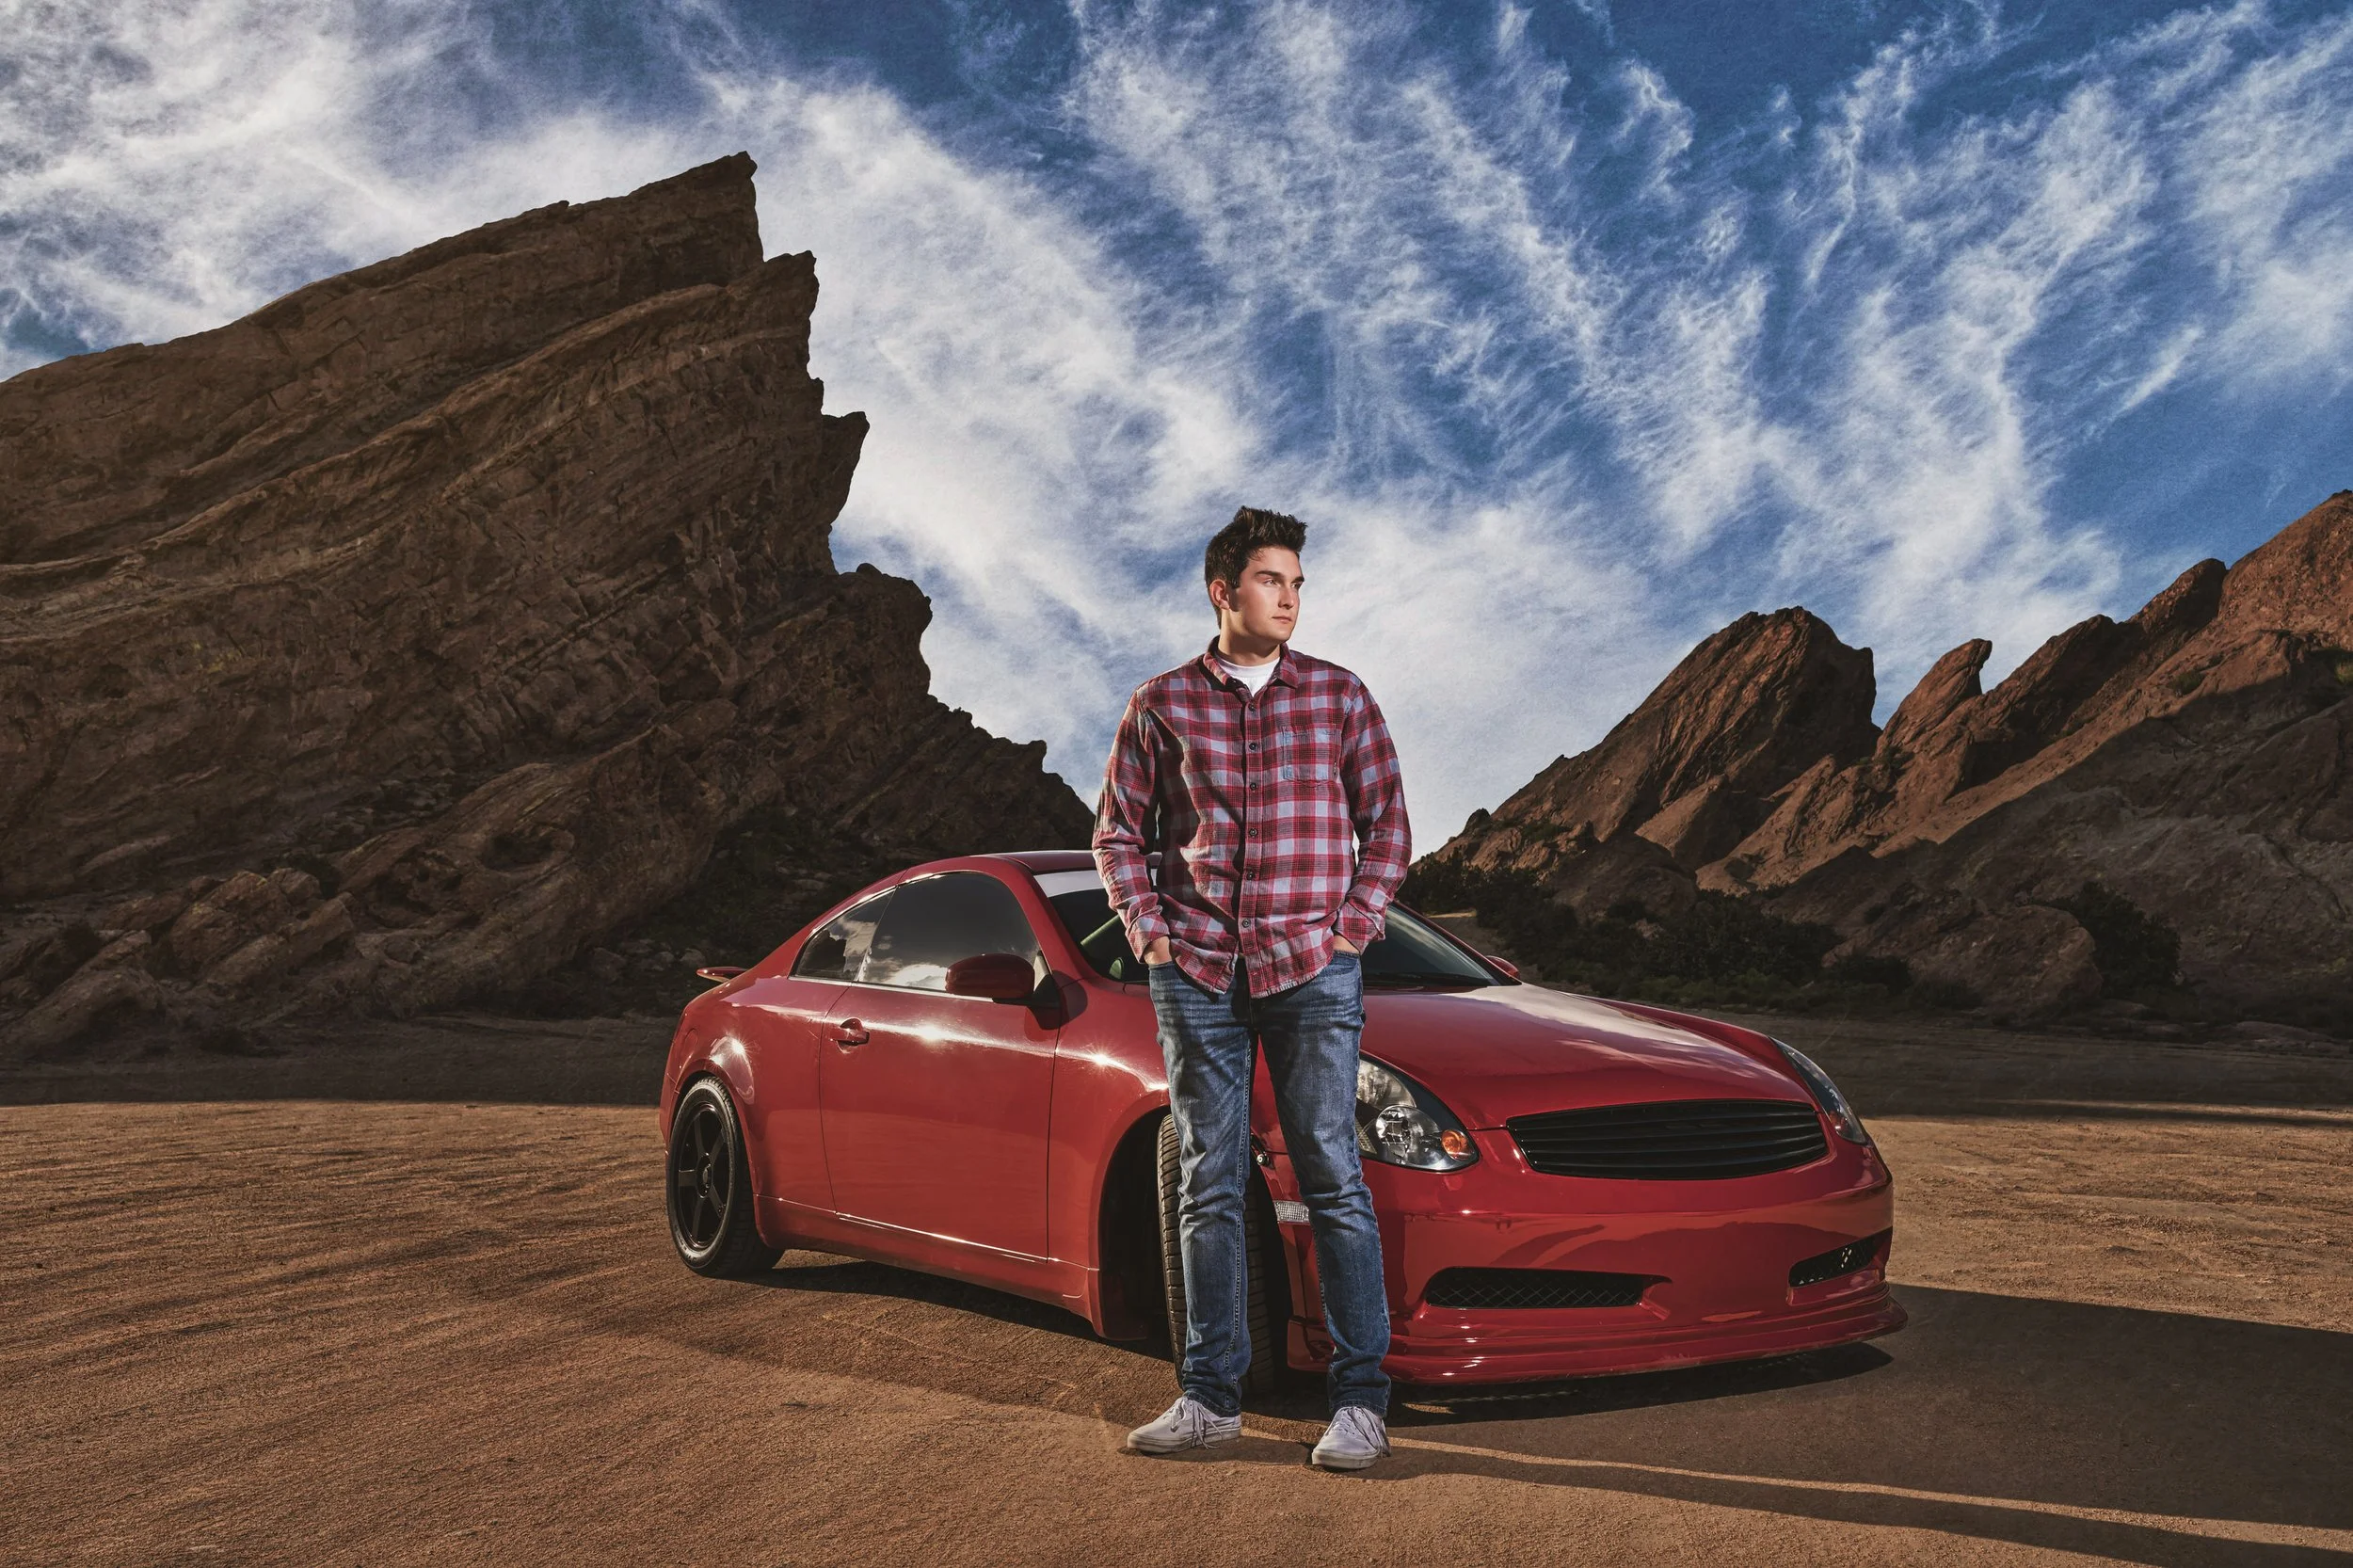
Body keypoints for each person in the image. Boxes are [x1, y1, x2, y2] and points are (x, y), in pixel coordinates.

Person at [1093, 505, 1411, 1471]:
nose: (1291, 598)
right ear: (1223, 590)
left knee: (1332, 1176)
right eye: (1273, 580)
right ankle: (1209, 1395)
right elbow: (1118, 833)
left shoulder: (1340, 697)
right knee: (1209, 1180)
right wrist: (1150, 932)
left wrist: (1347, 928)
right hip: (1195, 972)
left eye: (1299, 583)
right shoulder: (1160, 704)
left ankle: (1359, 1402)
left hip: (1313, 971)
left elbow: (1387, 825)